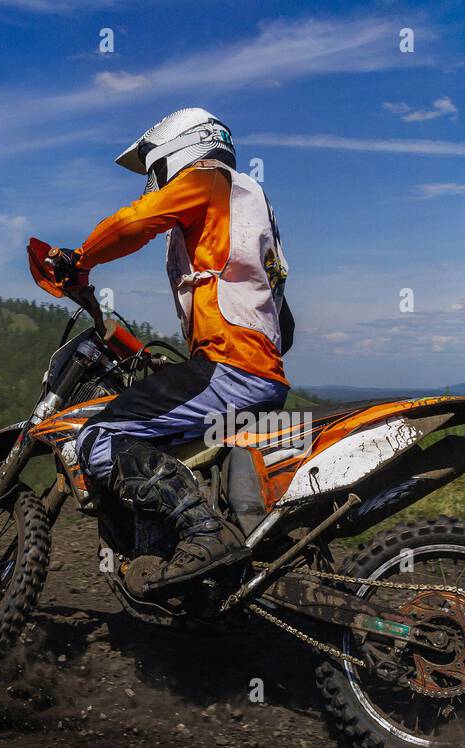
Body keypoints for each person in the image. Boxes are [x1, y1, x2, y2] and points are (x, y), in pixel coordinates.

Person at [47, 108, 295, 593]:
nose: (154, 183)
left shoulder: (207, 179)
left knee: (97, 440)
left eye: (155, 170)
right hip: (256, 372)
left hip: (232, 368)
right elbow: (283, 322)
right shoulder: (251, 206)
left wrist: (80, 259)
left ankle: (203, 533)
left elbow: (137, 221)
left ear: (180, 149)